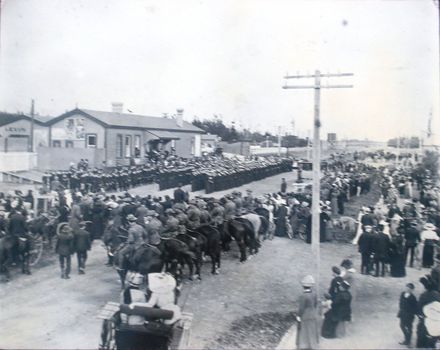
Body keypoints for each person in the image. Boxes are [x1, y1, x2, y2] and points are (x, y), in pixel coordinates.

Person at [416, 275, 440, 348]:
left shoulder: (425, 295)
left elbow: (419, 309)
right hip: (435, 321)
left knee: (424, 337)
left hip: (426, 320)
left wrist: (421, 315)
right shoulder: (436, 293)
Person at [296, 275, 319, 350]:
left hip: (305, 314)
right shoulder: (314, 294)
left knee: (304, 330)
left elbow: (301, 308)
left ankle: (304, 345)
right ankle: (313, 344)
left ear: (303, 286)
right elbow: (315, 304)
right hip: (313, 313)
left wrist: (298, 316)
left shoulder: (303, 296)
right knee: (312, 329)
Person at [397, 283, 418, 347]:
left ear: (412, 290)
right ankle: (406, 338)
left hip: (409, 315)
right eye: (406, 288)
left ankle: (408, 341)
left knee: (409, 328)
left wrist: (411, 314)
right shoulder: (402, 294)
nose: (407, 289)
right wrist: (401, 309)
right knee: (402, 325)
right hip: (403, 313)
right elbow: (400, 302)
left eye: (409, 288)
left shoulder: (413, 298)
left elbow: (415, 307)